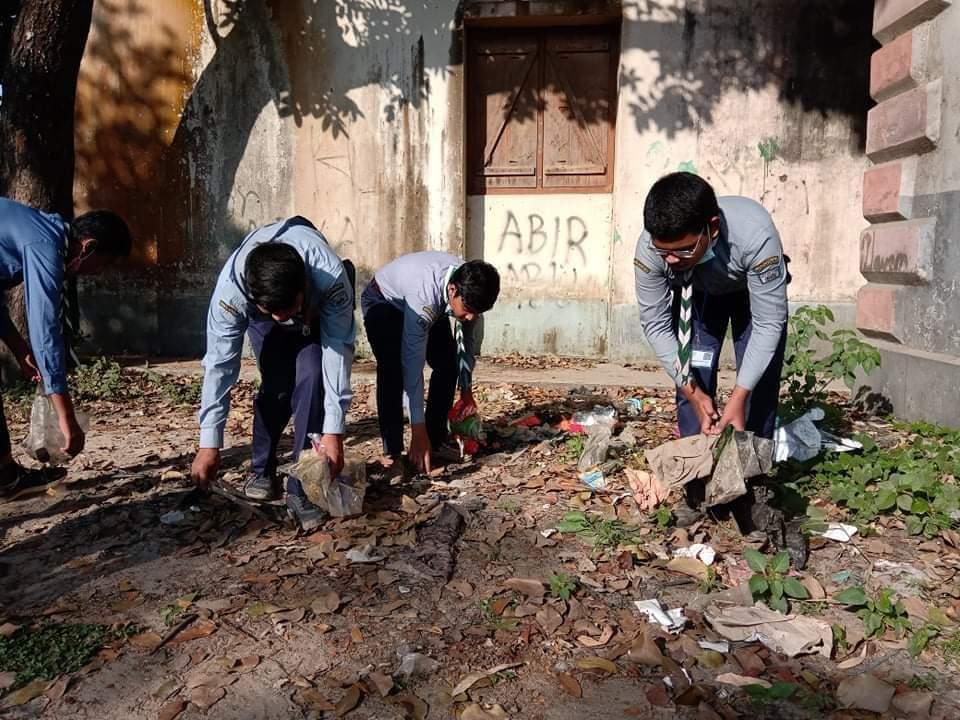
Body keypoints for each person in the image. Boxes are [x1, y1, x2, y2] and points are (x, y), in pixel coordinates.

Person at [190, 217, 355, 530]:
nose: (282, 318)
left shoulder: (329, 276)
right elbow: (219, 365)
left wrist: (335, 432)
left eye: (286, 309)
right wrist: (209, 443)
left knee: (312, 377)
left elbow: (338, 351)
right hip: (270, 306)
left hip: (312, 310)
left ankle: (302, 486)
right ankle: (261, 470)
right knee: (277, 383)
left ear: (303, 286)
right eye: (273, 311)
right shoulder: (231, 292)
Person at [634, 172, 788, 440]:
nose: (671, 260)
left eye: (683, 250)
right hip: (695, 293)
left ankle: (754, 459)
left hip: (748, 293)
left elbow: (768, 323)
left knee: (758, 382)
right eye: (663, 252)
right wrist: (693, 393)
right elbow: (656, 324)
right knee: (693, 374)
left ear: (713, 227)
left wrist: (739, 397)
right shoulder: (649, 250)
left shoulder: (755, 235)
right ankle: (696, 459)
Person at [0, 197, 132, 499]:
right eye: (104, 264)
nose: (98, 273)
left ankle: (6, 476)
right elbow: (45, 330)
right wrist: (66, 418)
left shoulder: (44, 233)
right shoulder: (44, 246)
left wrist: (19, 349)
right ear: (89, 246)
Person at [361, 252, 499, 473]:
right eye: (469, 311)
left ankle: (434, 439)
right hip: (384, 301)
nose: (472, 318)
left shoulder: (471, 287)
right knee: (393, 369)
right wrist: (417, 429)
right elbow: (412, 367)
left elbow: (466, 343)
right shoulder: (425, 297)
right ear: (453, 290)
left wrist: (466, 390)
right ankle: (393, 452)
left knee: (448, 364)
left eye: (478, 313)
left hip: (431, 303)